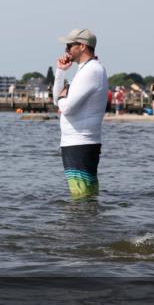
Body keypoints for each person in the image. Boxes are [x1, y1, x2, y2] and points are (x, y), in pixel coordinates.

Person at [53, 28, 109, 198]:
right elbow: (57, 100)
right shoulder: (85, 69)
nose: (66, 49)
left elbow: (66, 107)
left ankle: (83, 224)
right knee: (85, 195)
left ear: (83, 46)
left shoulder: (91, 70)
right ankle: (88, 223)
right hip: (76, 142)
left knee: (81, 196)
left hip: (80, 142)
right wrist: (61, 71)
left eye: (70, 45)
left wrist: (63, 97)